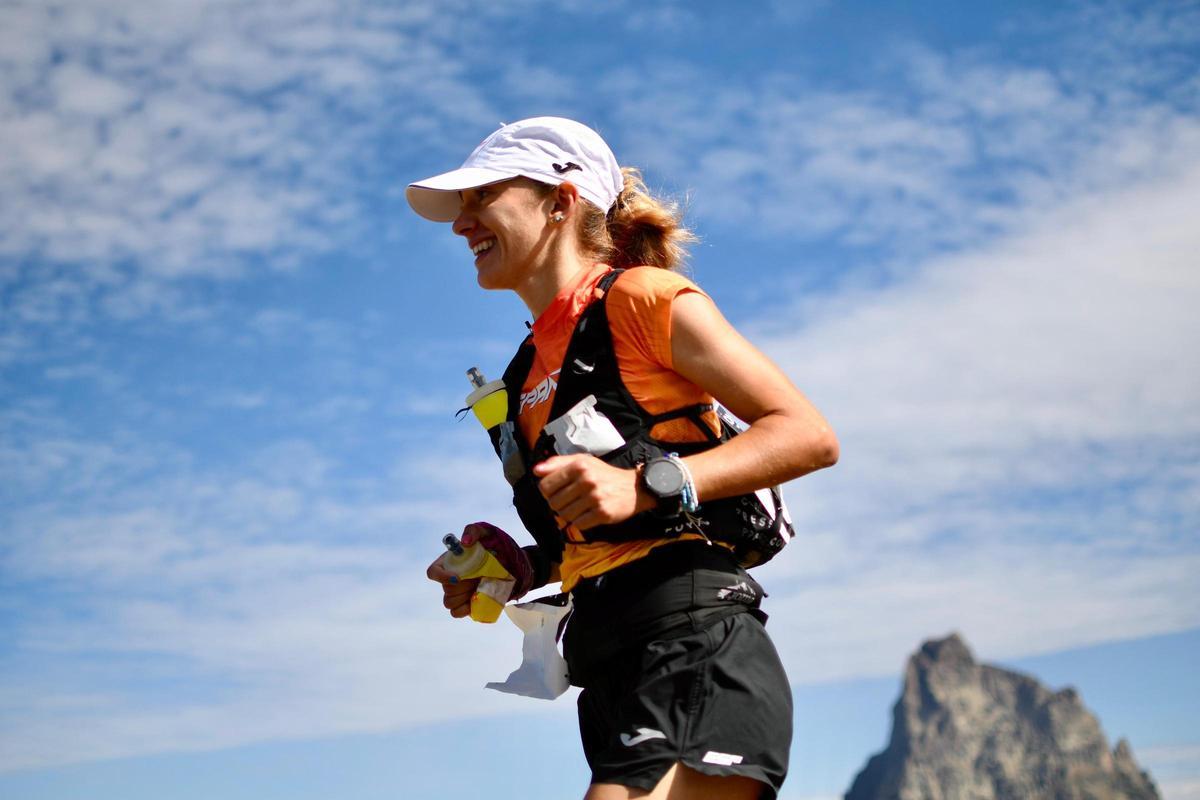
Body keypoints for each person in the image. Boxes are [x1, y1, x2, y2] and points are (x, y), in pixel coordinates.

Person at [409, 117, 838, 800]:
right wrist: (518, 566)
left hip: (690, 642)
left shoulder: (641, 299)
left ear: (561, 199)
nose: (462, 224)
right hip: (605, 670)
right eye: (461, 207)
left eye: (482, 197)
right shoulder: (519, 380)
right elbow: (596, 531)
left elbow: (807, 434)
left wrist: (651, 484)